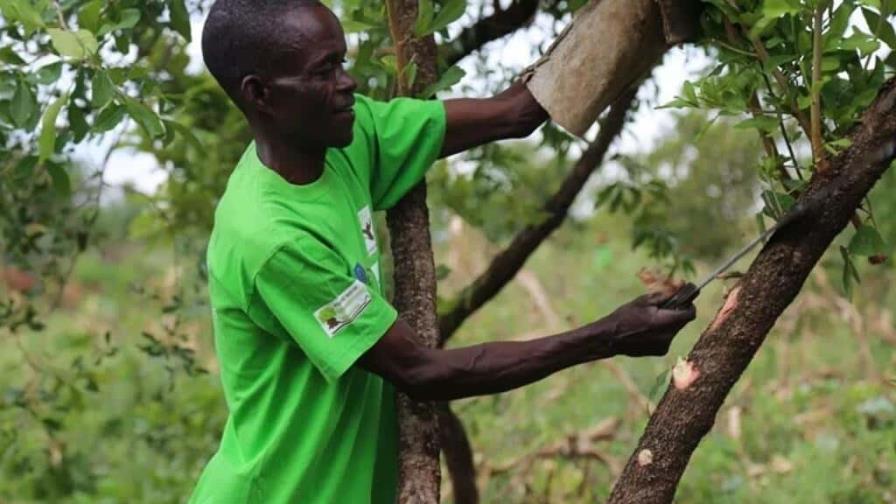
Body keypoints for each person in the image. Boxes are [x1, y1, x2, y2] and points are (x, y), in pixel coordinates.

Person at [190, 1, 697, 502]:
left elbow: (514, 113)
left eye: (341, 61)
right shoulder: (274, 238)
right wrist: (609, 335)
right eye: (324, 71)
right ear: (260, 94)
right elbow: (422, 372)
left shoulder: (346, 136)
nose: (348, 83)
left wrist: (634, 15)